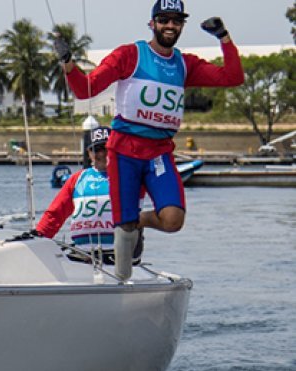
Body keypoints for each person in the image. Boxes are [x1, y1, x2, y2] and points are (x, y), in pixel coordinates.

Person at [53, 0, 244, 279]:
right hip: (124, 152)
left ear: (181, 26)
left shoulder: (184, 63)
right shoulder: (129, 56)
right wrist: (68, 63)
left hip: (158, 154)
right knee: (123, 226)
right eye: (164, 20)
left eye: (176, 21)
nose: (170, 26)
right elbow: (86, 89)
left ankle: (140, 221)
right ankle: (121, 282)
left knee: (173, 220)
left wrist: (223, 37)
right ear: (152, 23)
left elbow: (233, 77)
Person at [35, 127, 143, 265]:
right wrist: (37, 239)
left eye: (107, 148)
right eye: (97, 149)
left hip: (120, 253)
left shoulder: (130, 176)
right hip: (81, 254)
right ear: (89, 153)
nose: (102, 154)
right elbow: (55, 214)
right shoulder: (77, 179)